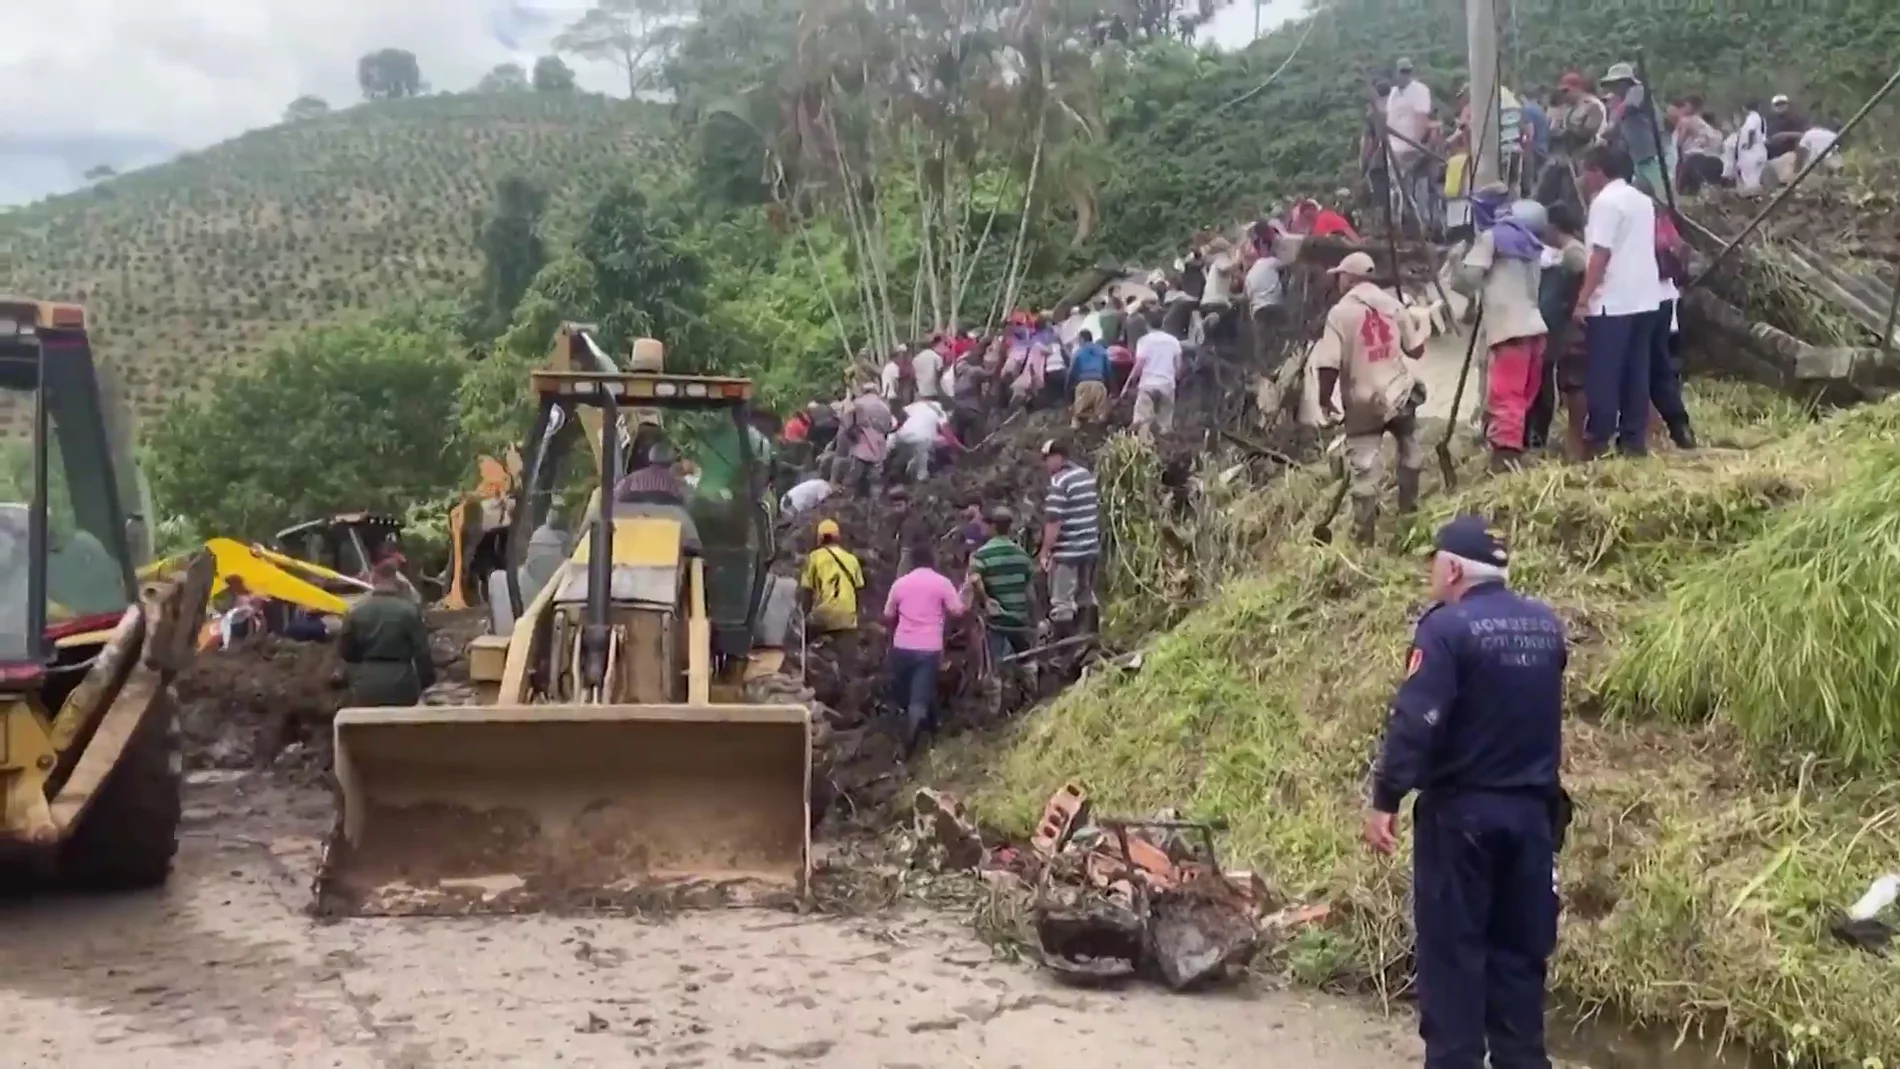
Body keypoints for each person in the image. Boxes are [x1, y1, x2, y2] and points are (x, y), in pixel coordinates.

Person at [1365, 515, 1568, 1069]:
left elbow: (1417, 720)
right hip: (1533, 820)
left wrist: (1386, 797)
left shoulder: (1446, 630)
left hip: (1461, 820)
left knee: (1453, 959)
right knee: (1520, 961)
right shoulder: (1546, 626)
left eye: (1434, 562)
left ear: (1452, 568)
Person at [1313, 251, 1428, 545]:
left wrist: (1325, 400)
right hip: (1399, 392)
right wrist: (1422, 324)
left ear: (1349, 278)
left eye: (1340, 276)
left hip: (1363, 400)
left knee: (1365, 469)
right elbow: (1415, 350)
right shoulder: (1393, 304)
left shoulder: (1340, 313)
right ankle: (1409, 515)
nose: (1338, 281)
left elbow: (1328, 364)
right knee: (1409, 447)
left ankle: (1364, 539)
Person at [1575, 144, 1662, 458]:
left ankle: (1598, 438)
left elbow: (1601, 254)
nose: (1584, 177)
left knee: (1604, 372)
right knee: (1637, 371)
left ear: (1598, 170)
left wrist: (1583, 299)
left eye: (1586, 170)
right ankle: (1632, 440)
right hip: (1645, 296)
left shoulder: (1605, 203)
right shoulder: (1643, 200)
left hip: (1613, 299)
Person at [1454, 199, 1549, 470]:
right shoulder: (1534, 246)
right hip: (1534, 328)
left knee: (1506, 397)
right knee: (1521, 397)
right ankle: (1509, 449)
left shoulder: (1491, 238)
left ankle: (1505, 460)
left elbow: (1466, 283)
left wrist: (1455, 260)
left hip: (1509, 331)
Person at [881, 542, 965, 754]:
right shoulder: (942, 583)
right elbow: (957, 611)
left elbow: (888, 615)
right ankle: (910, 746)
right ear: (932, 561)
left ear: (912, 562)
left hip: (901, 646)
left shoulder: (900, 584)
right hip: (928, 649)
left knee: (907, 692)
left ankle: (925, 725)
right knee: (919, 697)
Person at [1528, 203, 1590, 461]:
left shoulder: (1574, 255)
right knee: (1550, 380)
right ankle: (1542, 435)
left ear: (1554, 227)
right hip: (1557, 329)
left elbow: (1579, 285)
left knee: (1565, 382)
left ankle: (1568, 442)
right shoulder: (1564, 253)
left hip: (1569, 331)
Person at [967, 507, 1039, 714]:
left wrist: (986, 599)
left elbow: (974, 578)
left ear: (991, 526)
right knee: (1026, 658)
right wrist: (1033, 620)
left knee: (993, 665)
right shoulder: (1022, 555)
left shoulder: (982, 554)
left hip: (996, 620)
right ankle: (1032, 697)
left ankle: (993, 711)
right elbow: (1030, 592)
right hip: (1019, 618)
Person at [338, 556, 436, 707]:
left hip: (366, 683)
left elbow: (345, 652)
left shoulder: (355, 611)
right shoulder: (409, 611)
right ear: (396, 580)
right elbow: (422, 654)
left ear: (373, 578)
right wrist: (425, 683)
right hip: (402, 683)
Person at [1038, 438, 1101, 636]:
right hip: (1090, 548)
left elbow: (1053, 521)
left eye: (1048, 458)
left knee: (1061, 601)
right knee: (1085, 594)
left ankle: (1064, 651)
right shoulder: (1085, 475)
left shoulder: (1060, 481)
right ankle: (1090, 637)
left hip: (1068, 552)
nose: (1046, 463)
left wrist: (1045, 552)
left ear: (1059, 457)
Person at [1648, 205, 1697, 450]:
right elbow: (1682, 250)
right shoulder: (1663, 221)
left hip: (1639, 301)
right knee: (1663, 368)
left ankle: (1645, 431)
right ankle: (1679, 427)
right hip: (1667, 298)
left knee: (1641, 368)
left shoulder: (1630, 219)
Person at [799, 518, 865, 674]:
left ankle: (806, 673)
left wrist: (803, 618)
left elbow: (807, 591)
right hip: (847, 617)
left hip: (824, 614)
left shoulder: (813, 558)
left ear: (819, 537)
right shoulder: (851, 559)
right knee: (848, 664)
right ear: (838, 537)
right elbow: (858, 590)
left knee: (801, 645)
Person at [1386, 58, 1436, 235]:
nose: (1404, 75)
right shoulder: (1393, 93)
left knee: (1415, 190)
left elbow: (1422, 120)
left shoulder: (1419, 91)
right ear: (1396, 73)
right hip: (1393, 149)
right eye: (1402, 72)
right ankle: (1399, 226)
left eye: (1407, 72)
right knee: (1397, 191)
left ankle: (1422, 227)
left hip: (1412, 149)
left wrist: (1416, 144)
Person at [1600, 62, 1665, 197]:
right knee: (1642, 191)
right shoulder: (1624, 98)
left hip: (1650, 152)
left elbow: (1625, 110)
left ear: (1625, 82)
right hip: (1637, 154)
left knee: (1658, 190)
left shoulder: (1637, 90)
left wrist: (1610, 129)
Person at [1122, 317, 1181, 437]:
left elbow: (1139, 366)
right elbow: (1178, 366)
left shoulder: (1144, 341)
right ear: (1163, 323)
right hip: (1167, 384)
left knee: (1142, 419)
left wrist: (1128, 384)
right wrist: (1175, 380)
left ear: (1148, 325)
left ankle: (1142, 446)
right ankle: (1166, 446)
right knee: (1165, 421)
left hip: (1148, 384)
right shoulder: (1173, 340)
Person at [835, 383, 893, 495]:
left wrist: (846, 445)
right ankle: (874, 504)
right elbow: (889, 427)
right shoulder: (885, 406)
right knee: (875, 478)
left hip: (861, 446)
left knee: (854, 477)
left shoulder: (858, 403)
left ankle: (851, 501)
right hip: (879, 447)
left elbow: (846, 425)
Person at [1672, 96, 1727, 195]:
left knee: (1686, 191)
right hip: (1709, 158)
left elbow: (1679, 142)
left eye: (1683, 106)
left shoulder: (1686, 121)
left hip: (1691, 159)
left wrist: (1680, 159)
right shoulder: (1702, 123)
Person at [1246, 245, 1287, 369]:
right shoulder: (1269, 262)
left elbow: (1248, 297)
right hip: (1275, 305)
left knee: (1262, 341)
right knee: (1281, 334)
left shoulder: (1249, 276)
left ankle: (1266, 367)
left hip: (1259, 310)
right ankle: (1282, 361)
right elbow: (1286, 264)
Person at [891, 399, 947, 483]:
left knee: (905, 455)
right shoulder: (940, 412)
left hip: (901, 435)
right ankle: (921, 476)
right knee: (924, 450)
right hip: (922, 438)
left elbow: (900, 415)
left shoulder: (915, 405)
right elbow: (946, 430)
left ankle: (896, 473)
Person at [1068, 329, 1112, 427]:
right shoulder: (1101, 351)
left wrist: (1068, 395)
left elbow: (1071, 374)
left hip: (1083, 385)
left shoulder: (1078, 352)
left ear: (1082, 339)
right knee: (1098, 418)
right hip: (1099, 385)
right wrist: (1110, 390)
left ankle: (1076, 436)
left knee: (1077, 417)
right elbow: (1108, 371)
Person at [1731, 101, 1769, 193]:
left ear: (1744, 108)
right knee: (1756, 177)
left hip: (1751, 152)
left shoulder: (1751, 118)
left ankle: (1752, 199)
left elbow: (1751, 131)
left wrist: (1749, 144)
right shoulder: (1761, 119)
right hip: (1761, 150)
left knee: (1749, 179)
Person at [1765, 93, 1809, 159]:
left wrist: (1785, 135)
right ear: (1772, 107)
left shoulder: (1797, 119)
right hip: (1771, 155)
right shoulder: (1768, 120)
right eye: (1777, 104)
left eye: (1783, 104)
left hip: (1791, 154)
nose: (1780, 106)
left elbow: (1805, 135)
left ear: (1788, 105)